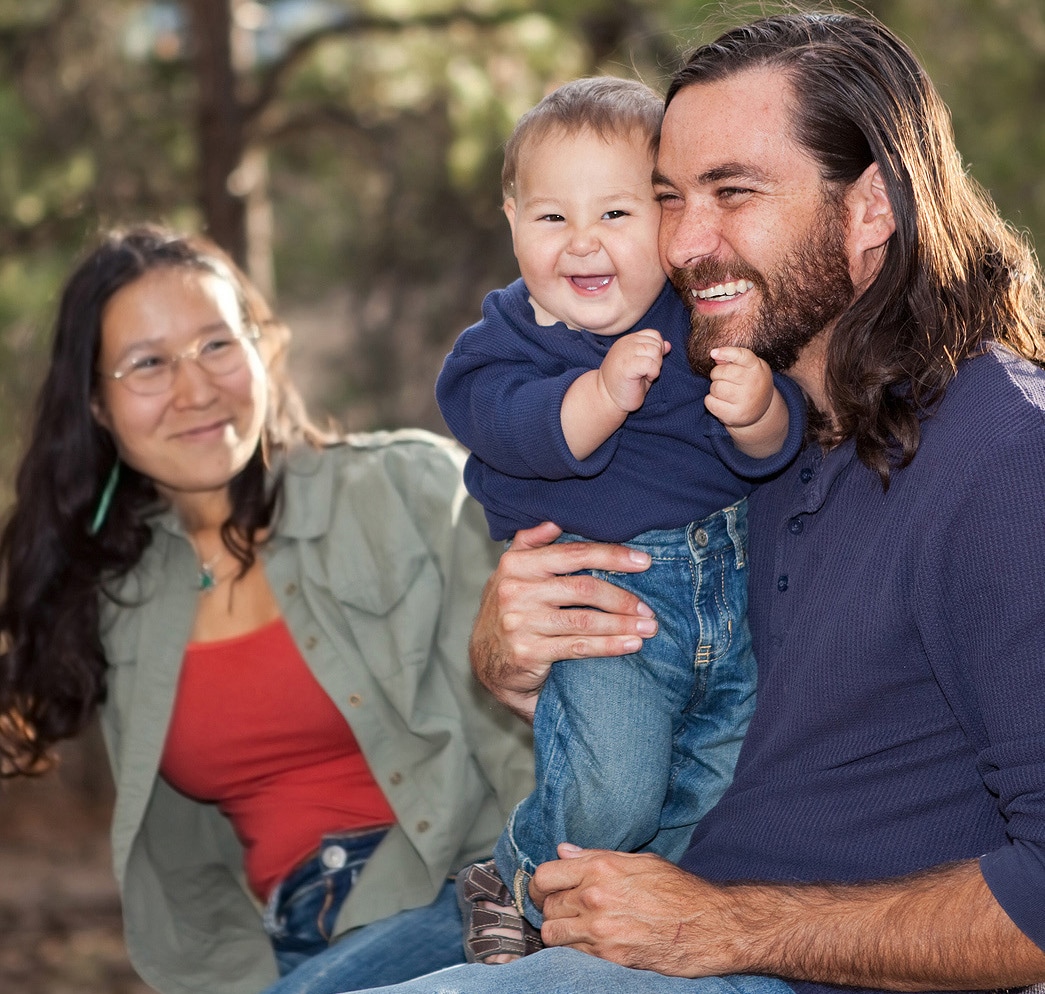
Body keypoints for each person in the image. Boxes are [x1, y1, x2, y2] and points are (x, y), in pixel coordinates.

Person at [338, 9, 1045, 994]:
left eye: (734, 193)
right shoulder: (725, 422)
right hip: (625, 899)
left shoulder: (1006, 455)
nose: (685, 241)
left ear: (871, 208)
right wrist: (514, 650)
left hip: (787, 965)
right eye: (667, 197)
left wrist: (729, 927)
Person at [0, 225, 534, 994]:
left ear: (262, 350)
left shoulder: (406, 489)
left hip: (466, 903)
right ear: (96, 405)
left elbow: (542, 719)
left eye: (217, 345)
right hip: (284, 951)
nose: (195, 389)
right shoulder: (118, 597)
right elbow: (190, 869)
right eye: (148, 364)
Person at [435, 75, 805, 963]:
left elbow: (770, 451)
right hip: (608, 606)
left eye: (617, 215)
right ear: (512, 218)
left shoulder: (702, 322)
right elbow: (524, 433)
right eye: (552, 218)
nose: (582, 243)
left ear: (668, 227)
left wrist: (756, 407)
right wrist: (600, 393)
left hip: (732, 589)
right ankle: (515, 874)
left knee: (717, 785)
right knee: (617, 789)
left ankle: (602, 933)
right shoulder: (500, 348)